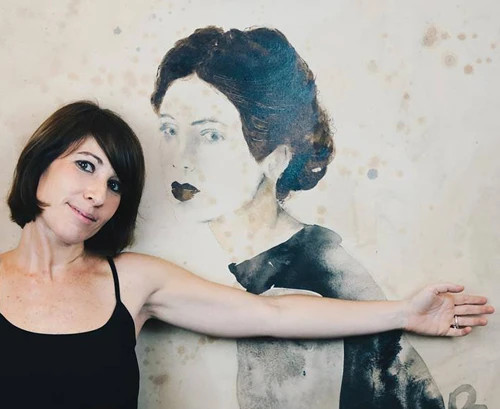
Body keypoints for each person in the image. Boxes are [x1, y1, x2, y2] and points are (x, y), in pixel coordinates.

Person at [0, 106, 492, 408]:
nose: (98, 195)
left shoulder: (131, 282)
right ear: (40, 164)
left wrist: (404, 313)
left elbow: (272, 314)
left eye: (114, 185)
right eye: (85, 166)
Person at [150, 27, 494, 408]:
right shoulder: (260, 261)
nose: (180, 158)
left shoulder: (311, 279)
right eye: (169, 130)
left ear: (277, 158)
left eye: (210, 135)